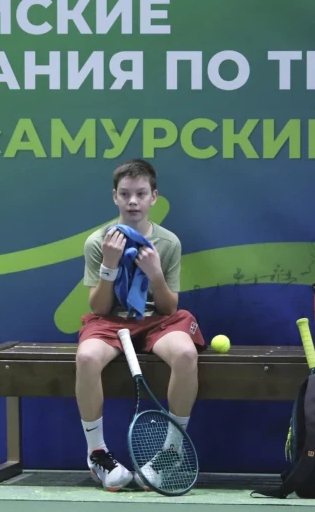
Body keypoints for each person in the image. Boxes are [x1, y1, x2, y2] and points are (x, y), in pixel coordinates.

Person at [76, 158, 205, 492]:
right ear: (115, 197)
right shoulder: (98, 242)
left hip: (157, 321)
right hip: (111, 321)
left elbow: (168, 307)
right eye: (125, 194)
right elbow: (99, 307)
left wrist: (155, 274)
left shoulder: (168, 243)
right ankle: (97, 453)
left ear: (153, 197)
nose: (132, 201)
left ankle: (172, 451)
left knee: (186, 355)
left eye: (140, 194)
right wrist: (109, 265)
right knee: (86, 358)